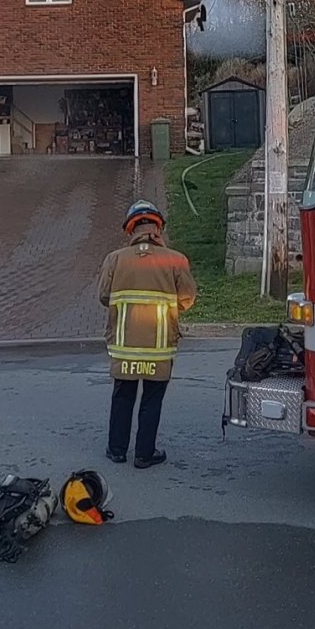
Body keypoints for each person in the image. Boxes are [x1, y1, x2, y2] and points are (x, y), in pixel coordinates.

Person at [97, 198, 196, 469]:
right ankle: (144, 454)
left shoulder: (114, 259)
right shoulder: (176, 260)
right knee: (152, 399)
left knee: (123, 395)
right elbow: (187, 300)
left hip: (124, 345)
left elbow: (104, 297)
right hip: (160, 346)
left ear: (131, 229)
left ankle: (116, 449)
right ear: (158, 228)